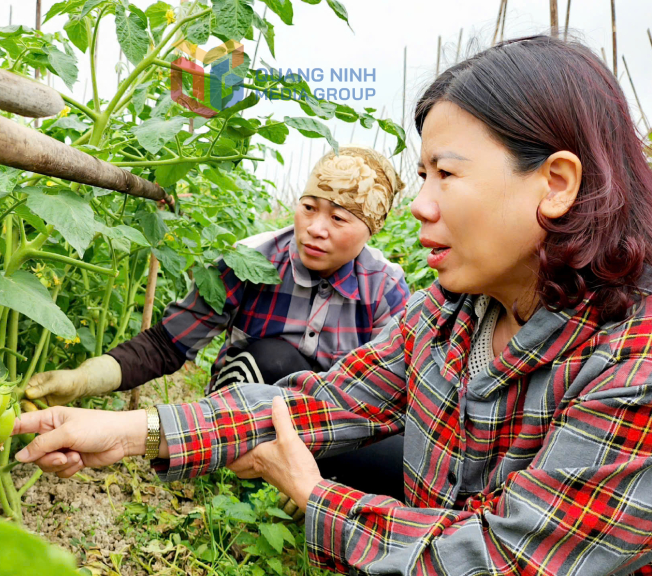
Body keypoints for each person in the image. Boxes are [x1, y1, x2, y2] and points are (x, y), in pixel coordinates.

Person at [0, 36, 652, 574]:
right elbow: (327, 400)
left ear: (555, 184)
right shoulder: (450, 311)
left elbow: (501, 560)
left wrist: (313, 495)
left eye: (446, 175)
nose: (421, 205)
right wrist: (132, 430)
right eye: (420, 176)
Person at [25, 145, 411, 499]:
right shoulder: (250, 260)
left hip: (332, 418)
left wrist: (312, 479)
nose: (315, 228)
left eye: (339, 217)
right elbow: (167, 343)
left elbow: (385, 400)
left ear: (370, 229)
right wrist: (83, 379)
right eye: (309, 207)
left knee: (403, 464)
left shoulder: (385, 287)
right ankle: (260, 474)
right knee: (273, 357)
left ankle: (313, 483)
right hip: (244, 405)